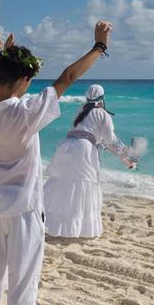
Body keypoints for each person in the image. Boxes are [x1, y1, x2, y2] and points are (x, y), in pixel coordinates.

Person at [0, 21, 113, 305]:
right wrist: (99, 47)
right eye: (29, 79)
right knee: (22, 281)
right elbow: (67, 77)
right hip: (24, 209)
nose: (31, 84)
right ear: (21, 81)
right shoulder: (26, 113)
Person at [44, 84, 136, 239]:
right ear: (102, 98)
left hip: (67, 147)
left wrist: (124, 158)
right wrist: (126, 151)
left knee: (63, 184)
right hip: (84, 150)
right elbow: (110, 139)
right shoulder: (101, 113)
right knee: (84, 185)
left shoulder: (81, 111)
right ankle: (77, 229)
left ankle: (51, 222)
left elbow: (99, 141)